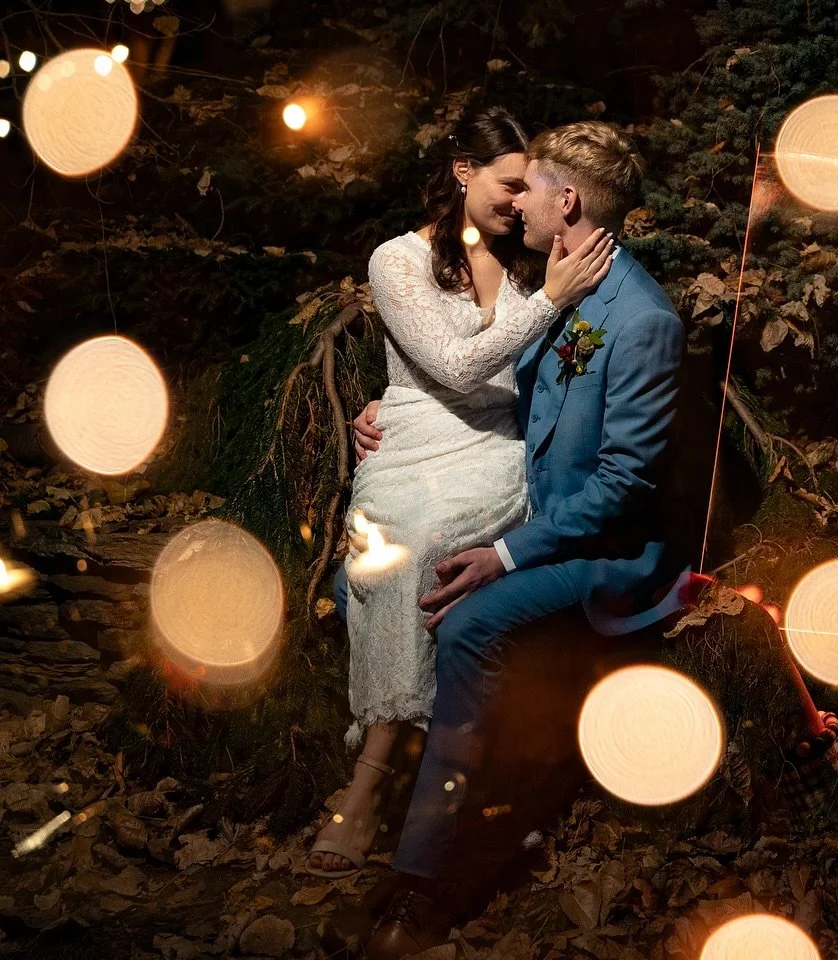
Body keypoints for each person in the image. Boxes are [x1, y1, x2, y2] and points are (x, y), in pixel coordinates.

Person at [346, 120, 693, 959]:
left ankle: (424, 881)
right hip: (529, 513)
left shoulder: (640, 318)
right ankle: (392, 791)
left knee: (464, 623)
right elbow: (483, 376)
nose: (515, 205)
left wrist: (505, 554)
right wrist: (383, 409)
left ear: (565, 200)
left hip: (607, 552)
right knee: (372, 576)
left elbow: (624, 489)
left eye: (528, 187)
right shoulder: (565, 284)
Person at [306, 105, 615, 879]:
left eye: (530, 188)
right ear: (463, 171)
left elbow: (525, 380)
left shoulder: (533, 259)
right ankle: (412, 751)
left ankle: (370, 785)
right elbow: (448, 367)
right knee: (384, 546)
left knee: (417, 551)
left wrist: (545, 296)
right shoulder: (396, 260)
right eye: (509, 184)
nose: (521, 201)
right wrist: (549, 303)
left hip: (494, 449)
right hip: (410, 437)